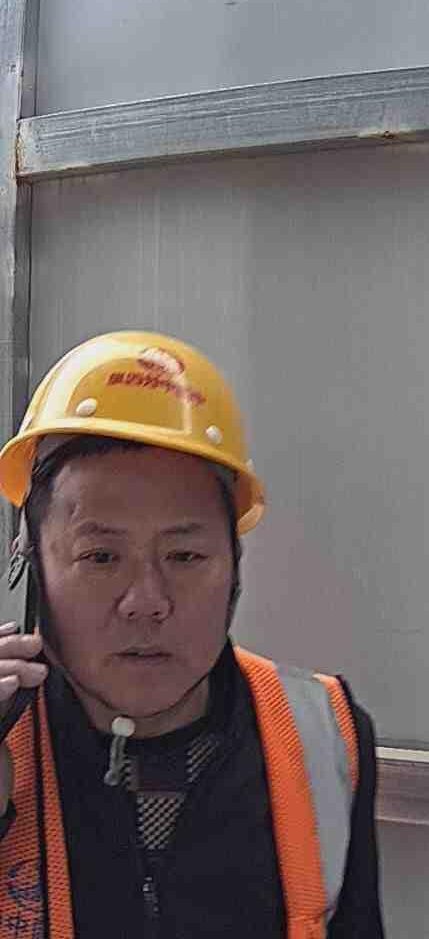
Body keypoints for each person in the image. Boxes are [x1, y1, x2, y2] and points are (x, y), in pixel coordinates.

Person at [0, 330, 384, 938]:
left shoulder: (321, 735)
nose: (147, 602)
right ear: (31, 574)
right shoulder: (8, 735)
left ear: (234, 566)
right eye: (101, 557)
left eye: (184, 556)